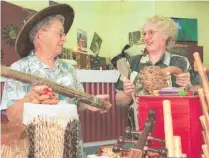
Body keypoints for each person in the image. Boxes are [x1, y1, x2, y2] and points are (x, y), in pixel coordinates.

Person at [1, 4, 111, 157]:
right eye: (60, 33)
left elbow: (76, 102)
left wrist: (90, 103)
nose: (64, 39)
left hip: (72, 150)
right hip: (37, 152)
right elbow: (12, 116)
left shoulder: (69, 69)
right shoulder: (20, 69)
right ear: (40, 34)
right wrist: (30, 99)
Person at [115, 15, 196, 129]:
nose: (146, 37)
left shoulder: (180, 62)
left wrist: (188, 86)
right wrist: (127, 94)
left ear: (166, 35)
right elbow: (118, 101)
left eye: (151, 32)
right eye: (144, 34)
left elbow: (197, 95)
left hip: (174, 129)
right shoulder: (132, 62)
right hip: (139, 130)